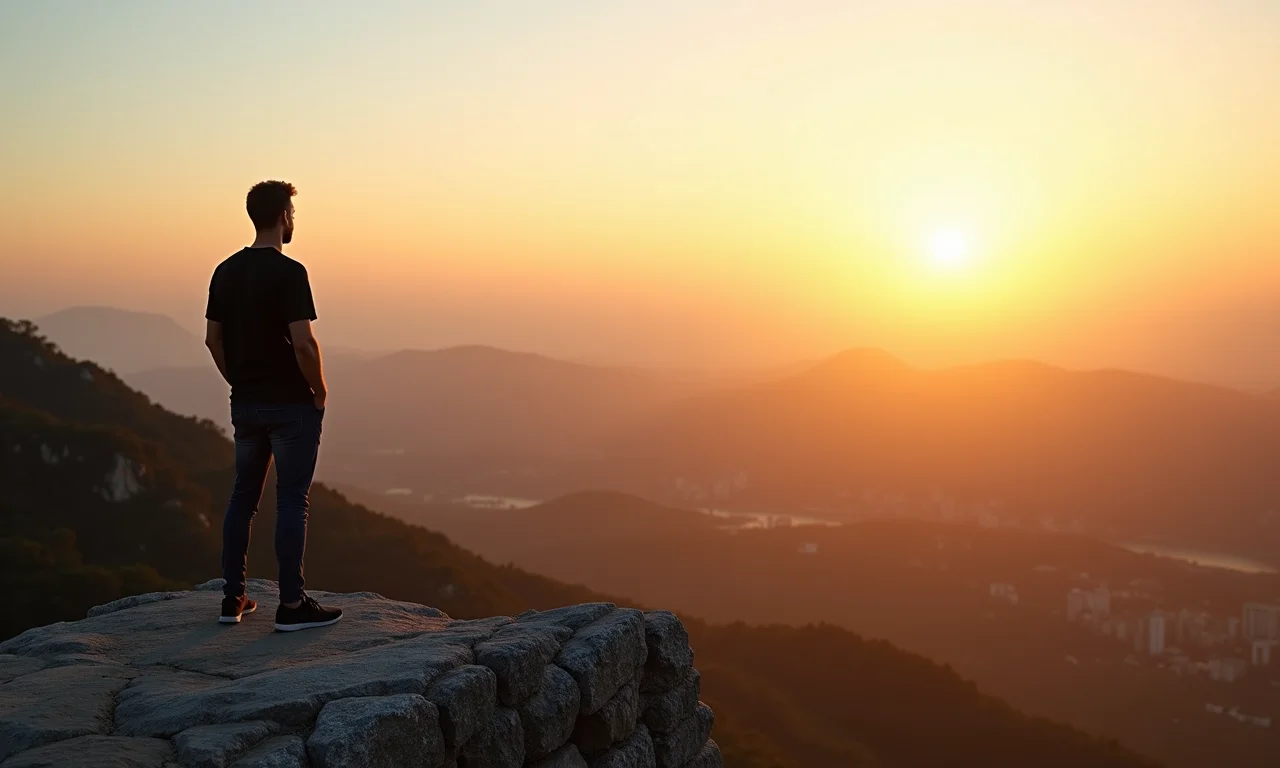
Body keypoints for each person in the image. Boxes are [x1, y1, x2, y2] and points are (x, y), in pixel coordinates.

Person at [204, 180, 343, 632]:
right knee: (291, 501)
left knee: (242, 499)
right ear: (284, 216)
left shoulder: (225, 271)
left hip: (245, 403)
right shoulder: (291, 273)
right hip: (290, 405)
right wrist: (319, 391)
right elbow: (304, 344)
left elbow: (213, 339)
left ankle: (232, 599)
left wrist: (238, 381)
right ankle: (291, 605)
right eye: (292, 213)